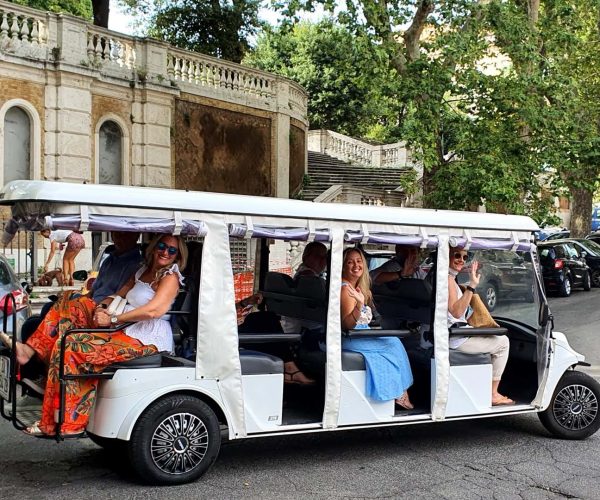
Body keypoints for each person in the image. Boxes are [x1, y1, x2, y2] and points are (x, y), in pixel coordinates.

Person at [1, 234, 187, 436]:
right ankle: (28, 352)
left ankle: (66, 423)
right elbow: (118, 294)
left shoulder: (170, 276)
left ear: (178, 256)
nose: (165, 252)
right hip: (124, 327)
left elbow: (153, 311)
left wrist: (115, 320)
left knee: (72, 345)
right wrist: (102, 307)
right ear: (153, 247)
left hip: (146, 338)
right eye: (161, 246)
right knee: (70, 305)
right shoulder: (143, 270)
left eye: (171, 250)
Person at [340, 248, 414, 410]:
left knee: (392, 340)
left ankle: (400, 390)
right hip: (352, 338)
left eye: (359, 261)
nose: (355, 266)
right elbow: (347, 325)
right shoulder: (346, 290)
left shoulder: (357, 287)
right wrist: (359, 305)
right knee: (393, 342)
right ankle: (399, 392)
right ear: (343, 266)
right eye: (350, 262)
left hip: (361, 334)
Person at [447, 247, 513, 406]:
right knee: (503, 342)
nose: (461, 260)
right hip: (455, 338)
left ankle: (484, 387)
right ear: (446, 256)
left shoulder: (447, 278)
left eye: (465, 256)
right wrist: (471, 286)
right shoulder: (448, 280)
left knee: (494, 339)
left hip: (454, 333)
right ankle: (493, 394)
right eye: (456, 255)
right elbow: (456, 311)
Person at [279, 242, 328, 385]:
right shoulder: (311, 280)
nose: (322, 260)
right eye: (317, 256)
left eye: (324, 257)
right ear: (306, 257)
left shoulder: (303, 274)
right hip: (308, 333)